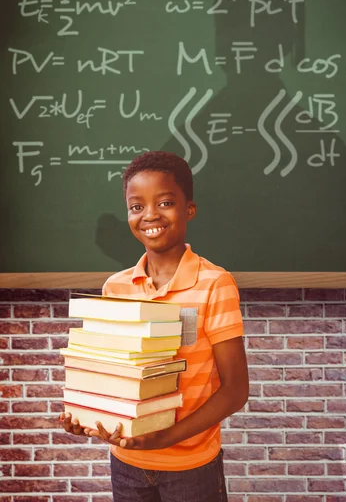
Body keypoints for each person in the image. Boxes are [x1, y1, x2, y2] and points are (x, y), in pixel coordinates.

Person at [60, 150, 249, 502]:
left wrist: (164, 438)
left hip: (192, 468)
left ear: (189, 209)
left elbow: (236, 390)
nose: (150, 215)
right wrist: (87, 416)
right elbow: (112, 376)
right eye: (136, 206)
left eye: (164, 202)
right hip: (126, 463)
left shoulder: (214, 284)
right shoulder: (115, 287)